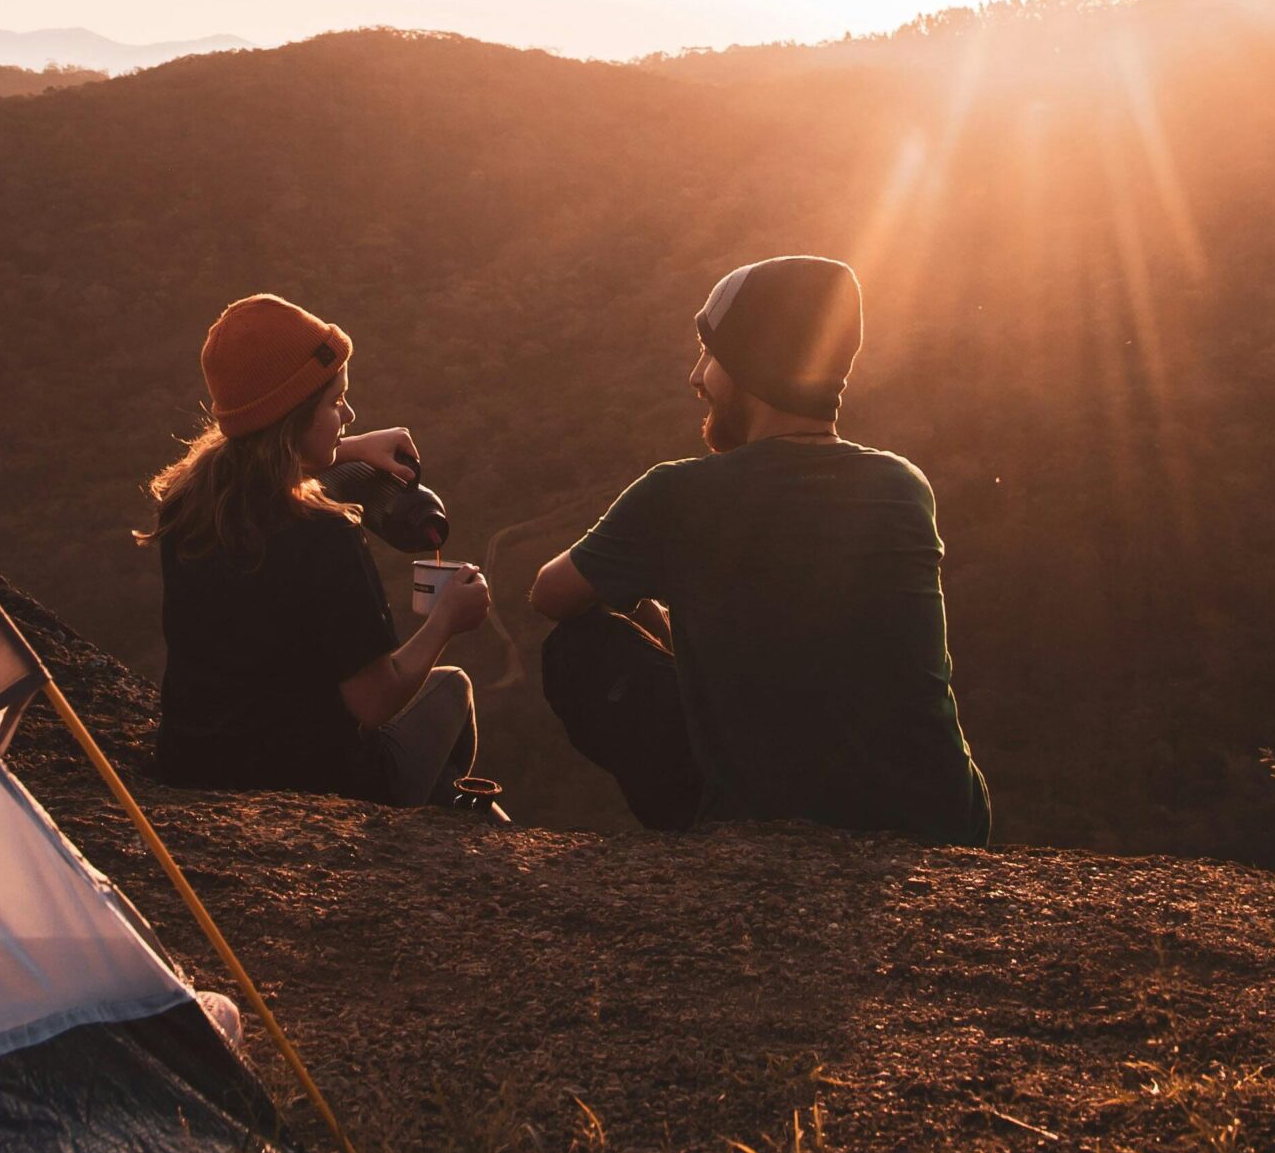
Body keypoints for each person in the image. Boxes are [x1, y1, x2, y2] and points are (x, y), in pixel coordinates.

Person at [528, 255, 990, 843]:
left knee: (579, 648)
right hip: (944, 817)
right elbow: (815, 635)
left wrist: (643, 596)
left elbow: (551, 593)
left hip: (786, 828)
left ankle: (711, 839)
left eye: (711, 356)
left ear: (749, 365)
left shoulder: (677, 494)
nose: (697, 376)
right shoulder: (902, 486)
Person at [146, 293, 491, 806]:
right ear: (291, 420)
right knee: (452, 689)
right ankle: (428, 829)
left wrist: (347, 447)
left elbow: (257, 465)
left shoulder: (187, 507)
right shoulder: (323, 535)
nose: (349, 414)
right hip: (314, 781)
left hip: (196, 762)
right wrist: (446, 620)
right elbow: (374, 701)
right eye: (334, 403)